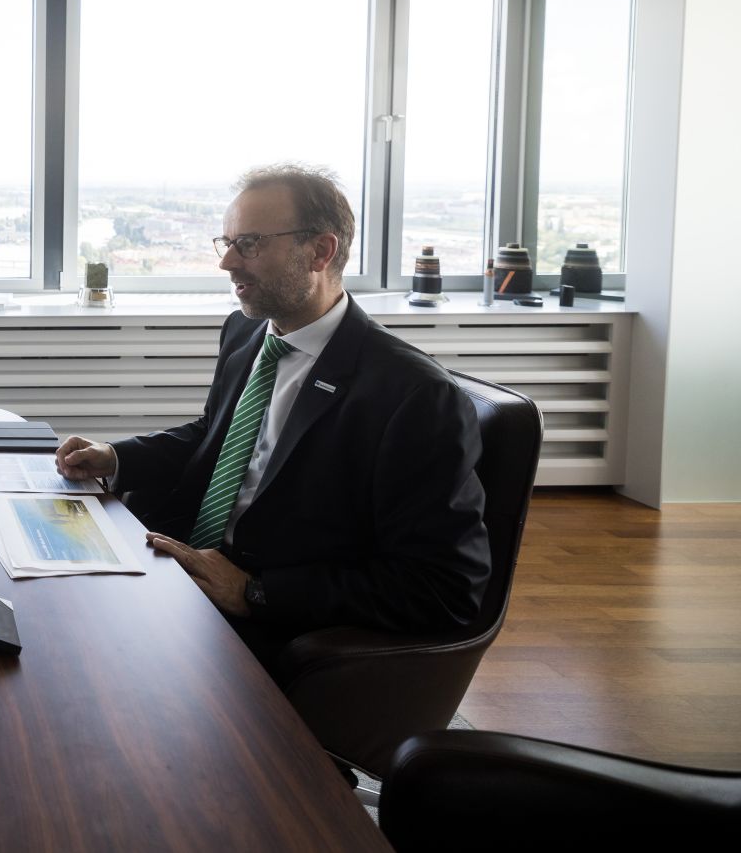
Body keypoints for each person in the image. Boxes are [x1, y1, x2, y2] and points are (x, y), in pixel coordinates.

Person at [55, 165, 491, 661]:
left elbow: (446, 587)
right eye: (228, 243)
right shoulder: (246, 331)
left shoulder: (414, 396)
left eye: (250, 244)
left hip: (267, 620)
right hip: (179, 559)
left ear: (320, 252)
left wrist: (254, 592)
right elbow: (217, 437)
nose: (227, 263)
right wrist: (116, 457)